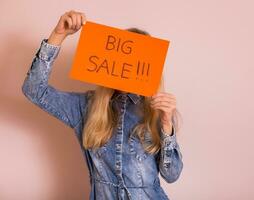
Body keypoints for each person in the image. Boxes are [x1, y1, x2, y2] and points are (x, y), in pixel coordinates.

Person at [22, 10, 183, 200]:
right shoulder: (85, 107)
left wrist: (166, 125)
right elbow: (34, 90)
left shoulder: (158, 111)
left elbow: (172, 175)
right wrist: (58, 35)